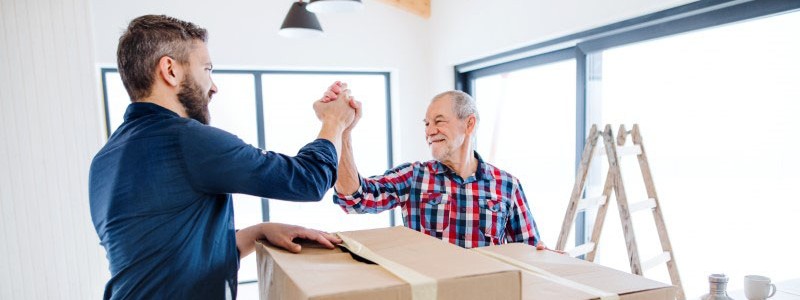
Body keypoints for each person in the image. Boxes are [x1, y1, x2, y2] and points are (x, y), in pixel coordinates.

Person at [89, 15, 356, 299]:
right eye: (206, 69)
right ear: (170, 70)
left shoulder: (106, 159)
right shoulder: (187, 140)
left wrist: (259, 232)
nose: (213, 87)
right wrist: (334, 122)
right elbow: (308, 180)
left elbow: (167, 257)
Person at [330, 89, 545, 249]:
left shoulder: (508, 185)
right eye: (426, 124)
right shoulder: (414, 177)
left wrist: (543, 255)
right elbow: (355, 200)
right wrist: (343, 131)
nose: (430, 131)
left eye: (439, 121)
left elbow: (527, 250)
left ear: (469, 125)